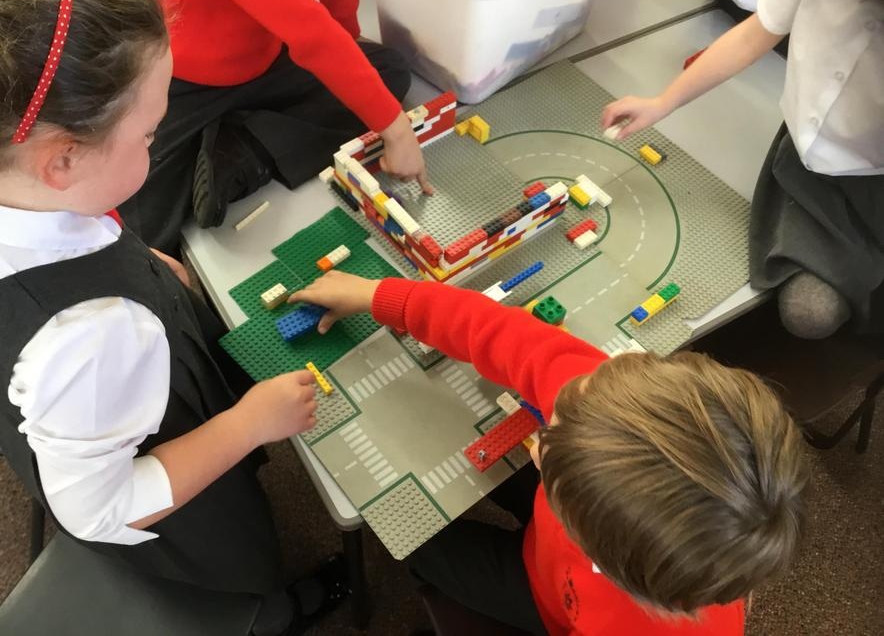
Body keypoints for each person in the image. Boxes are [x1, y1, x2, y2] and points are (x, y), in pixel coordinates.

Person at [0, 0, 342, 633]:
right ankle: (271, 614)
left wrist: (138, 261)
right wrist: (249, 424)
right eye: (151, 135)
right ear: (62, 160)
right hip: (159, 495)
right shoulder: (89, 336)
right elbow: (98, 509)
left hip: (95, 391)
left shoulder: (33, 193)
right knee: (235, 557)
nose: (158, 143)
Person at [289, 270, 810, 635]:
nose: (537, 442)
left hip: (548, 602)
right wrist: (382, 296)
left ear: (587, 540)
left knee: (415, 540)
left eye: (548, 447)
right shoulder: (605, 403)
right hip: (565, 544)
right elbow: (504, 334)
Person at [603, 0, 884, 340]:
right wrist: (662, 102)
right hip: (805, 167)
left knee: (833, 310)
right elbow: (754, 35)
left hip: (872, 186)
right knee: (809, 312)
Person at [119, 0, 431, 254]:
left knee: (385, 71)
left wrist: (347, 35)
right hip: (181, 77)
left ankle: (246, 150)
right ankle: (238, 138)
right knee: (141, 231)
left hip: (267, 58)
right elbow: (309, 32)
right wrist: (397, 131)